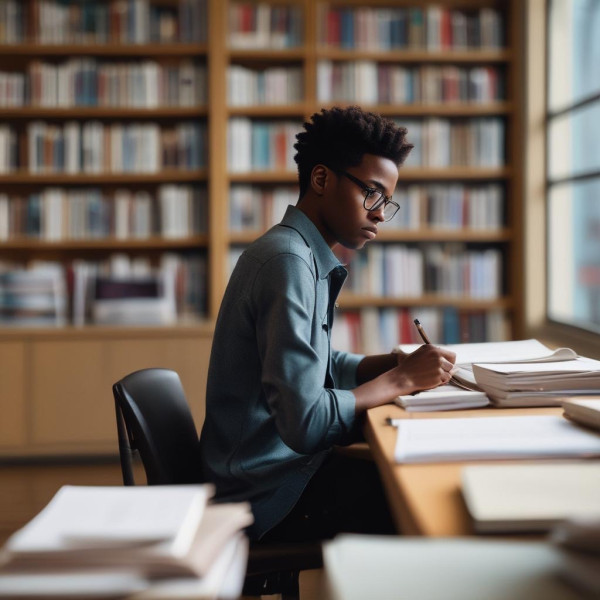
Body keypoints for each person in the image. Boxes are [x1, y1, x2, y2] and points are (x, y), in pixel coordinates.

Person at [199, 106, 456, 541]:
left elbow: (314, 362)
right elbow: (306, 423)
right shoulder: (288, 262)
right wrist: (398, 381)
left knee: (407, 476)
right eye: (371, 194)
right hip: (262, 494)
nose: (378, 213)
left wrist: (391, 362)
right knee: (423, 503)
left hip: (271, 472)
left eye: (386, 202)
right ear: (321, 179)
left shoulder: (298, 251)